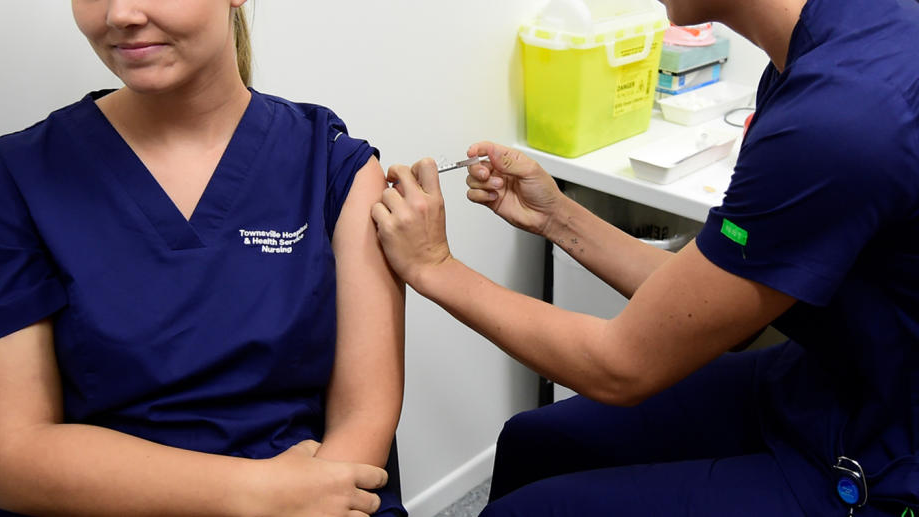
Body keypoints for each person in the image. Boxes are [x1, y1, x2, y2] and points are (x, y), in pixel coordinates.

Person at [371, 0, 919, 514]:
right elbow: (709, 305)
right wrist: (556, 216)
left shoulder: (843, 116)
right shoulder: (819, 51)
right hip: (824, 384)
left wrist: (433, 268)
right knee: (533, 441)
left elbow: (621, 366)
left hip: (882, 455)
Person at [0, 2, 405, 516]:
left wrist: (314, 499)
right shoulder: (19, 175)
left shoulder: (330, 164)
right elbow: (13, 455)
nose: (120, 13)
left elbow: (364, 416)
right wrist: (263, 493)